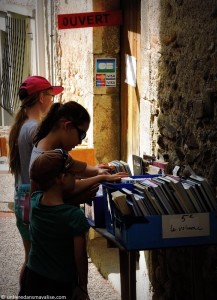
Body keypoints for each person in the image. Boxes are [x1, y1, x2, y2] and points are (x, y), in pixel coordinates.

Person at [8, 75, 64, 284]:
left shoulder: (23, 125)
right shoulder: (33, 128)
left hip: (21, 197)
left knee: (30, 259)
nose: (52, 99)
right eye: (50, 95)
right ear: (41, 97)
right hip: (30, 198)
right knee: (35, 262)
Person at [19, 149, 90, 299]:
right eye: (73, 174)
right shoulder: (74, 216)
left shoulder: (35, 201)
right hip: (60, 284)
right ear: (62, 178)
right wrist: (82, 286)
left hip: (32, 277)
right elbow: (80, 257)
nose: (76, 178)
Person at [30, 101, 128, 203]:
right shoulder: (45, 157)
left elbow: (75, 166)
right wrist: (100, 178)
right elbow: (66, 190)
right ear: (67, 126)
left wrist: (97, 171)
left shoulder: (53, 150)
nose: (80, 141)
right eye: (81, 135)